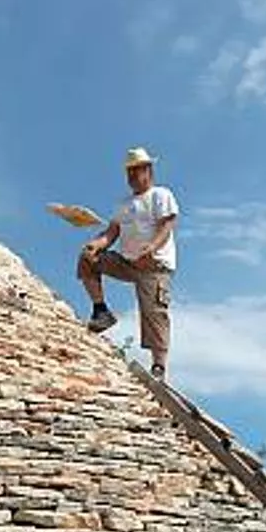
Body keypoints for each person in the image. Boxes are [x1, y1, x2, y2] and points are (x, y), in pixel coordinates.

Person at [78, 147, 179, 380]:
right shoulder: (123, 204)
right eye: (129, 172)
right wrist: (97, 244)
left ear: (148, 170)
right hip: (127, 261)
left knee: (154, 312)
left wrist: (152, 247)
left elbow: (167, 225)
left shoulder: (160, 195)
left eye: (136, 170)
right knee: (87, 259)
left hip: (154, 263)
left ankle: (159, 367)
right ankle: (101, 311)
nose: (132, 176)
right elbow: (111, 232)